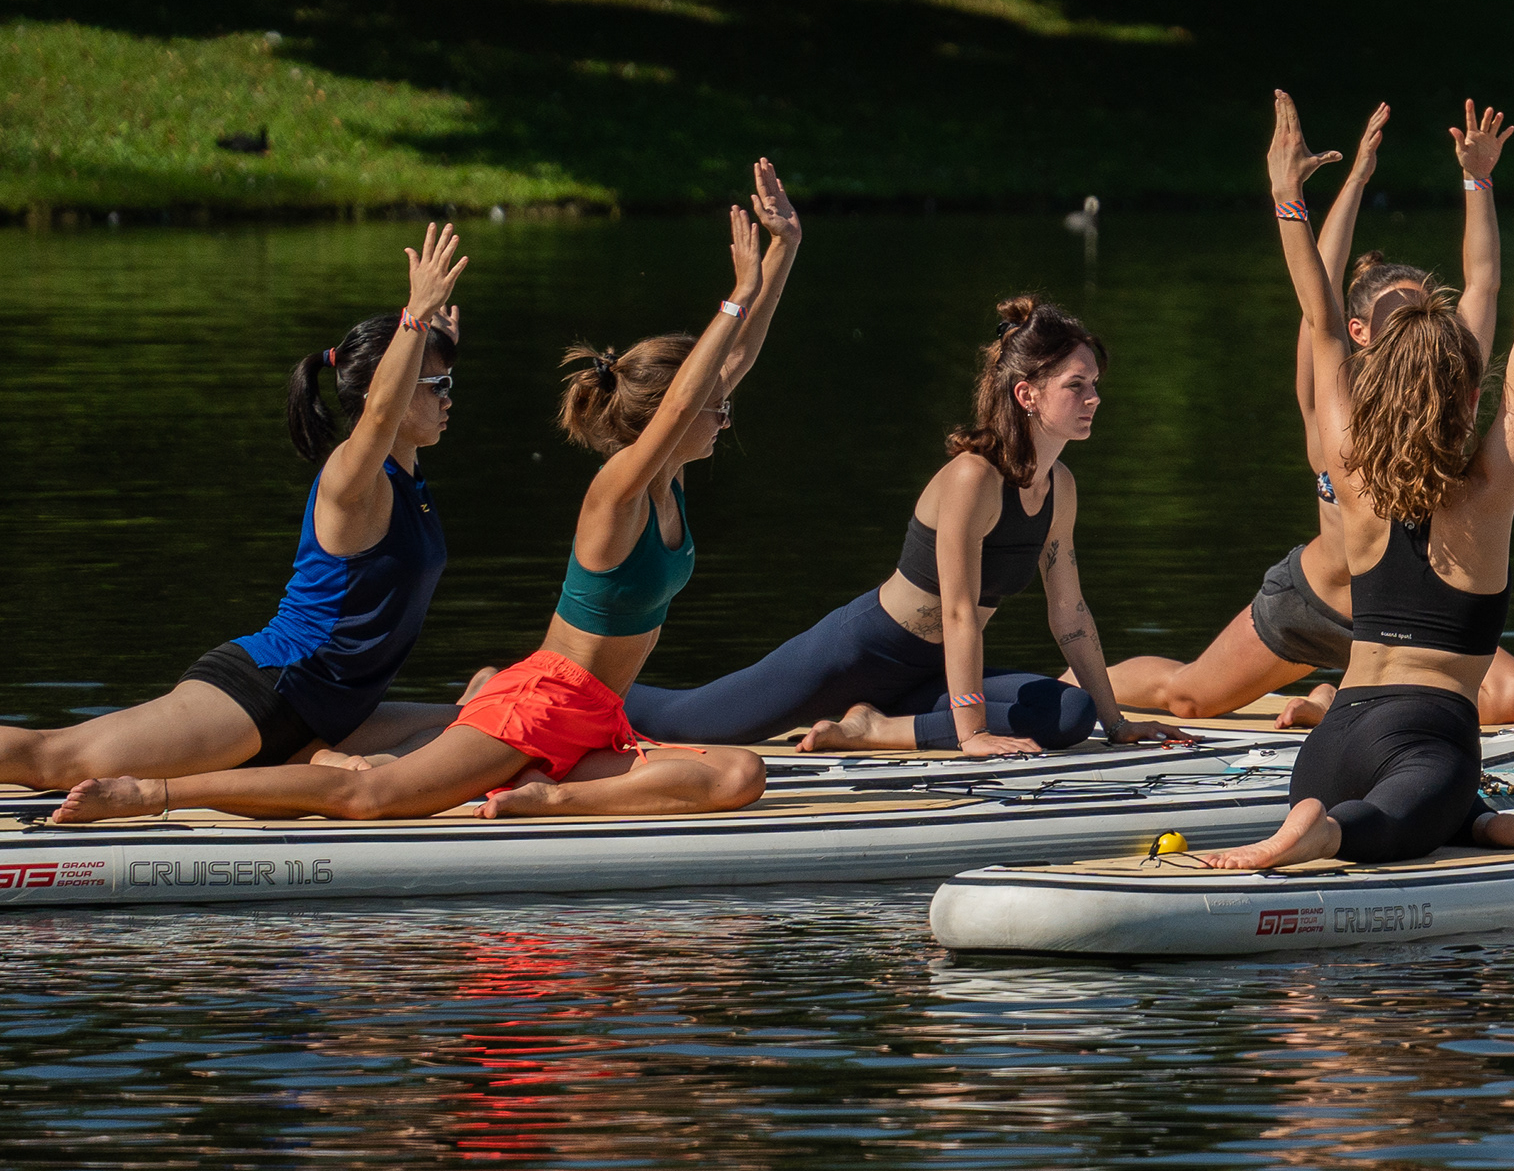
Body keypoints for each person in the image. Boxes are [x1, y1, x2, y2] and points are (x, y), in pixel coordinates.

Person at [52, 170, 806, 826]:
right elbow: (687, 399)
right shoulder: (622, 488)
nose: (726, 414)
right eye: (716, 406)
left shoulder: (668, 474)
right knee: (370, 801)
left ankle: (544, 797)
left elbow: (726, 369)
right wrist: (735, 296)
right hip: (540, 704)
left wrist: (783, 251)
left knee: (739, 776)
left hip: (592, 714)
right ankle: (152, 794)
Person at [1193, 92, 1514, 869]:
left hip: (1329, 751)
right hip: (1424, 743)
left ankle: (1455, 823)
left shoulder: (1350, 466)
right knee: (1417, 805)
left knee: (1442, 806)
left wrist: (1287, 197)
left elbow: (1322, 322)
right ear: (1468, 393)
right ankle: (1327, 835)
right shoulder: (1489, 487)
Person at [1103, 101, 1514, 730]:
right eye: (1403, 314)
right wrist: (1353, 179)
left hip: (1412, 611)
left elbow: (1483, 285)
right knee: (1188, 698)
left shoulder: (1449, 386)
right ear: (1361, 329)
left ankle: (1341, 698)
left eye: (1430, 313)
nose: (1426, 325)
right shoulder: (1335, 399)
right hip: (1320, 598)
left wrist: (1477, 180)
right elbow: (1321, 293)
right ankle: (1072, 683)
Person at [0, 222, 472, 790]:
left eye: (450, 383)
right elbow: (379, 416)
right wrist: (414, 318)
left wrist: (433, 347)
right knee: (52, 759)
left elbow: (395, 404)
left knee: (473, 727)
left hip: (332, 711)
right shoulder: (355, 476)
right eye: (436, 385)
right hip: (268, 689)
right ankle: (308, 762)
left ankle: (311, 761)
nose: (449, 399)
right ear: (384, 391)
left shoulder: (410, 479)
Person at [623, 297, 1174, 759]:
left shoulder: (1061, 487)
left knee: (1071, 714)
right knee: (681, 722)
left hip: (937, 673)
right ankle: (556, 679)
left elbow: (1071, 615)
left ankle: (875, 729)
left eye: (1094, 383)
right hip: (860, 656)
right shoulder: (972, 478)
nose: (1094, 398)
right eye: (1077, 385)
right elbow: (960, 612)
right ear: (1026, 395)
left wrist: (1117, 723)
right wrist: (972, 733)